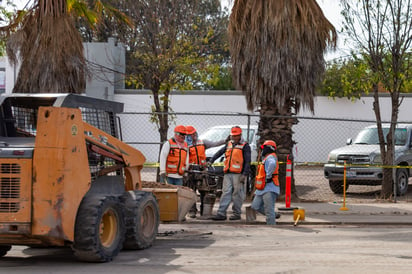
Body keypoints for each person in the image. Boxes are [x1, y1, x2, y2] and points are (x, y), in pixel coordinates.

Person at [185, 125, 228, 218]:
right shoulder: (185, 145)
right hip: (191, 170)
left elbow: (215, 143)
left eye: (193, 134)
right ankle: (192, 211)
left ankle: (204, 211)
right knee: (191, 191)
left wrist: (225, 141)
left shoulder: (202, 142)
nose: (193, 136)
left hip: (202, 169)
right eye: (190, 134)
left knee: (204, 190)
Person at [210, 126, 251, 221]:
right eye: (233, 136)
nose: (234, 138)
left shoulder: (245, 146)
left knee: (237, 194)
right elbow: (219, 153)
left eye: (236, 136)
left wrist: (244, 174)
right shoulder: (229, 144)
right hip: (228, 173)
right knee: (226, 193)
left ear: (240, 135)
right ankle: (221, 213)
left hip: (238, 174)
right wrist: (211, 160)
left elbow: (247, 161)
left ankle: (237, 213)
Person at [251, 140, 280, 225]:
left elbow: (272, 164)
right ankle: (274, 215)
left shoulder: (271, 157)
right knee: (255, 206)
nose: (263, 149)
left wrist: (268, 176)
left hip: (270, 187)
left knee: (268, 209)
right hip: (262, 188)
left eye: (264, 147)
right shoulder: (267, 157)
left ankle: (271, 225)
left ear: (269, 148)